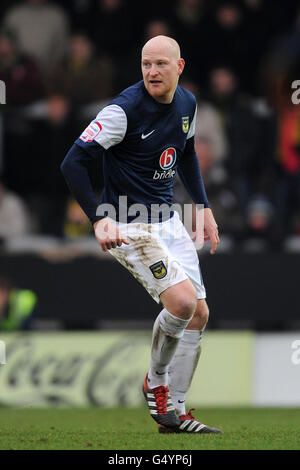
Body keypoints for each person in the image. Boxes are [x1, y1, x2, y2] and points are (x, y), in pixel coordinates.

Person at [61, 35, 222, 434]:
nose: (152, 71)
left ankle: (177, 413)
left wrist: (202, 206)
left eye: (160, 64)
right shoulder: (123, 110)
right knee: (183, 304)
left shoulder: (187, 103)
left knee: (200, 314)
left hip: (168, 219)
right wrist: (99, 217)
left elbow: (184, 152)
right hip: (128, 222)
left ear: (179, 67)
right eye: (146, 63)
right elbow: (73, 163)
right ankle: (156, 381)